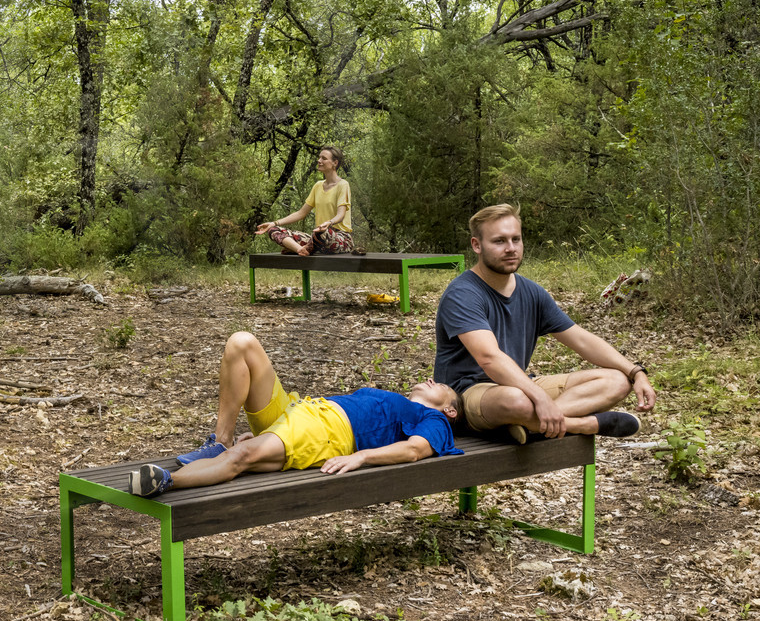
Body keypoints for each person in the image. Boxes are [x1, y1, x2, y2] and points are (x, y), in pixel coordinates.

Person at [129, 331, 462, 497]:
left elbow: (414, 450)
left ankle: (166, 481)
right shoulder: (402, 402)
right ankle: (220, 440)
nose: (432, 379)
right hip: (300, 409)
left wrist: (361, 457)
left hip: (327, 432)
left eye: (441, 385)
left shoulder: (434, 421)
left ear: (449, 410)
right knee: (242, 342)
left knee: (243, 457)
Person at [433, 203, 655, 444]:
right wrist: (539, 397)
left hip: (518, 385)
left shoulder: (532, 292)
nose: (510, 248)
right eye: (499, 241)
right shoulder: (463, 293)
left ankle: (528, 425)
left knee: (617, 381)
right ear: (477, 245)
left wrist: (635, 372)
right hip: (466, 396)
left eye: (516, 239)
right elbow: (489, 358)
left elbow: (581, 340)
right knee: (516, 399)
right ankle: (581, 424)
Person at [255, 145, 355, 257]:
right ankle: (301, 250)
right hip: (317, 238)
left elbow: (341, 215)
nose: (319, 160)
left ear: (335, 163)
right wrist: (274, 223)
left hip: (340, 239)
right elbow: (301, 213)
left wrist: (329, 223)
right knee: (274, 230)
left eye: (324, 158)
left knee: (320, 233)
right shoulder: (318, 186)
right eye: (319, 157)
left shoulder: (343, 185)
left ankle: (304, 247)